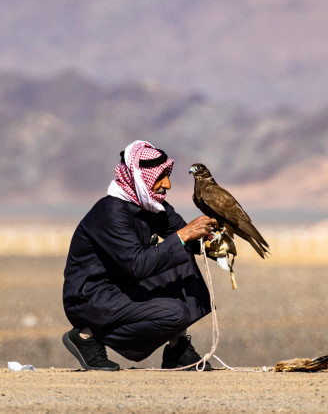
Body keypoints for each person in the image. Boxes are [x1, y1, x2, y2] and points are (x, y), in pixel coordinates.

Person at [61, 140, 218, 371]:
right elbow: (138, 264)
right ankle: (86, 336)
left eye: (168, 175)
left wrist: (216, 242)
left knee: (182, 256)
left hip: (124, 284)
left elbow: (189, 240)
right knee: (175, 314)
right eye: (161, 176)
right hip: (92, 296)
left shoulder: (152, 207)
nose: (168, 184)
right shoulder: (111, 212)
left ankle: (177, 348)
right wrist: (185, 235)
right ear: (139, 177)